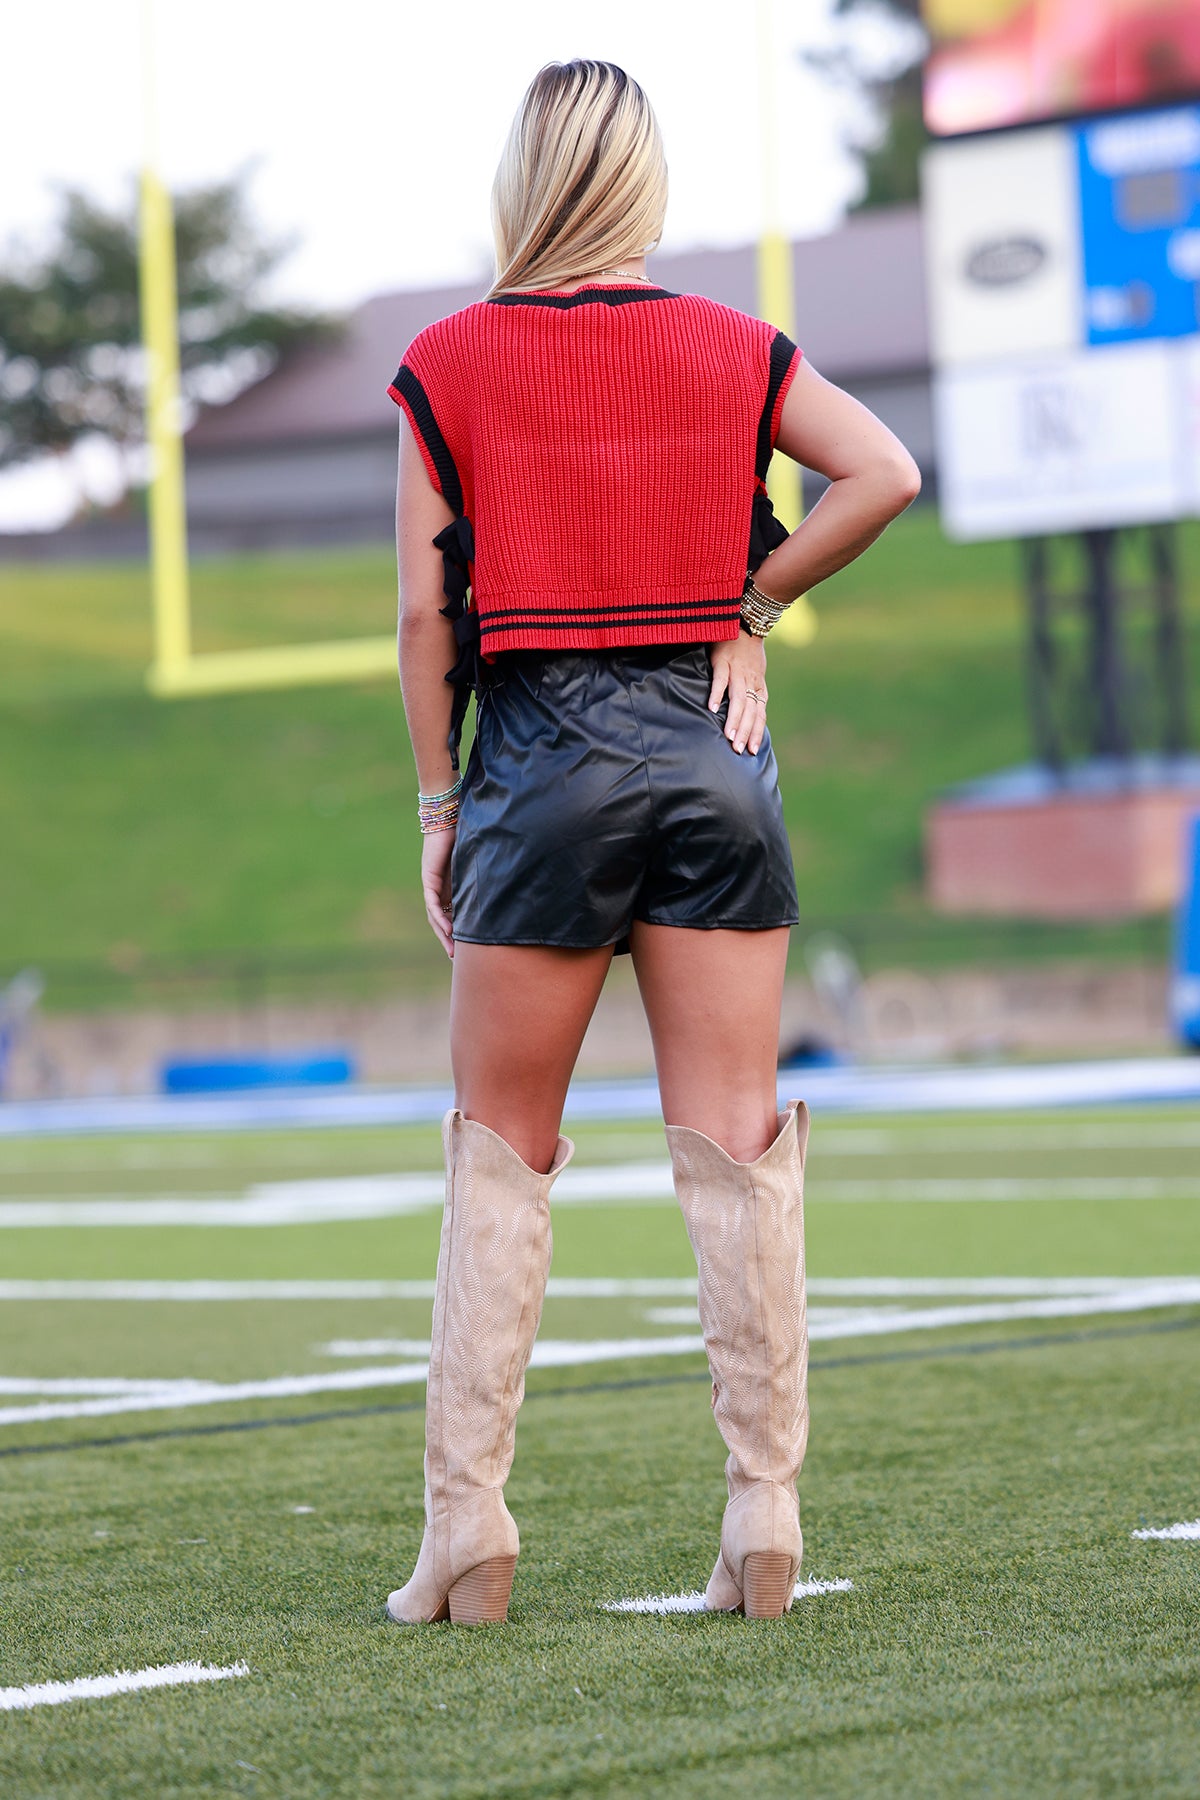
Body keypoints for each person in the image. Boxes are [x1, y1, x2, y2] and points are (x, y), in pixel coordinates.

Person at [385, 59, 920, 1626]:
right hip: (715, 754)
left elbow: (425, 612)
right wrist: (753, 605)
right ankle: (764, 1517)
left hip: (538, 764)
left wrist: (437, 804)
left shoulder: (448, 359)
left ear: (523, 179)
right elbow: (881, 470)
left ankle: (467, 1532)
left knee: (503, 1152)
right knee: (738, 1143)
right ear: (643, 182)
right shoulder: (731, 345)